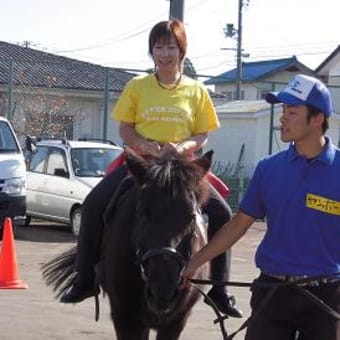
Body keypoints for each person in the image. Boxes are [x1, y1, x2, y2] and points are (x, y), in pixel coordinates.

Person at [60, 19, 242, 318]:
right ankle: (84, 279)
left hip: (181, 166)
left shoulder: (196, 91)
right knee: (93, 204)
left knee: (223, 213)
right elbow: (125, 129)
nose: (164, 53)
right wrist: (145, 145)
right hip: (143, 163)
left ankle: (220, 290)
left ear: (181, 50)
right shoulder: (137, 86)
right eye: (159, 47)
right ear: (152, 52)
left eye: (171, 46)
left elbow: (202, 134)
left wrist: (181, 147)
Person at [183, 74, 340, 339]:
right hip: (272, 292)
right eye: (282, 111)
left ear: (317, 119)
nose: (282, 118)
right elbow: (238, 225)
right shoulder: (268, 169)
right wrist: (194, 262)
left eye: (292, 111)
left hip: (326, 298)